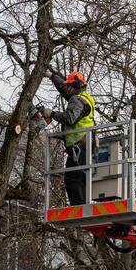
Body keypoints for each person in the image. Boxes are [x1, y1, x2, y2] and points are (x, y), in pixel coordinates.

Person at [41, 70, 96, 206]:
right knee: (80, 176)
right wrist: (52, 76)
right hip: (85, 143)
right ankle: (83, 204)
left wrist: (51, 113)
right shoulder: (84, 97)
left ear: (75, 85)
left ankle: (79, 207)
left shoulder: (77, 100)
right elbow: (64, 89)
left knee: (73, 178)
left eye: (70, 85)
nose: (67, 88)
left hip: (80, 145)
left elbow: (70, 118)